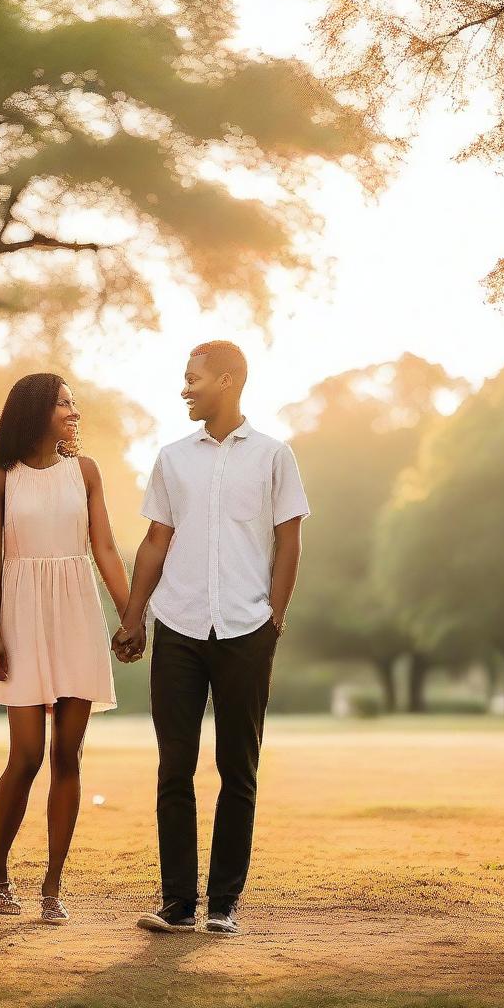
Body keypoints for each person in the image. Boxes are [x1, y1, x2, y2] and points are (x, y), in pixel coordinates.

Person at [113, 340, 311, 936]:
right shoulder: (172, 458)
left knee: (237, 769)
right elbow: (155, 542)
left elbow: (289, 545)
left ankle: (224, 904)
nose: (184, 389)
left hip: (247, 630)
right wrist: (132, 616)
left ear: (228, 380)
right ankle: (178, 905)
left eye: (193, 378)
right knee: (174, 767)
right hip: (179, 625)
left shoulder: (276, 457)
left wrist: (273, 622)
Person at [0, 372, 132, 923]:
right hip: (20, 615)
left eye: (74, 402)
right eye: (64, 403)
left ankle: (52, 884)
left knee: (68, 754)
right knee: (26, 757)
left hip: (76, 612)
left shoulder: (84, 472)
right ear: (35, 410)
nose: (74, 411)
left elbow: (106, 547)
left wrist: (131, 613)